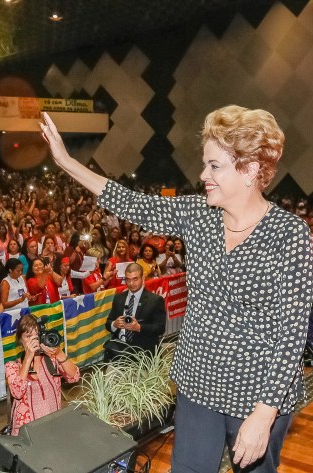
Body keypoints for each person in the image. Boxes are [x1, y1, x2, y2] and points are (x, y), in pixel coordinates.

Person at [41, 106, 313, 472]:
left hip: (258, 392)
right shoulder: (199, 214)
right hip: (198, 381)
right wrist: (66, 162)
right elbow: (133, 203)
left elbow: (291, 334)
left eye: (214, 166)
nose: (203, 175)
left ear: (249, 169)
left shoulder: (290, 235)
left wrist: (264, 415)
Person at [4, 315, 79, 436]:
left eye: (36, 335)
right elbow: (17, 393)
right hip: (27, 433)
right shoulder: (13, 366)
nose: (34, 340)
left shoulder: (53, 360)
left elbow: (74, 377)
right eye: (28, 336)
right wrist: (28, 358)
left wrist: (59, 353)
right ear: (20, 341)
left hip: (53, 426)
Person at [104, 263, 167, 360]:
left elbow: (160, 328)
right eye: (128, 279)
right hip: (119, 353)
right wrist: (114, 324)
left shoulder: (155, 300)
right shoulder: (119, 298)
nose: (131, 283)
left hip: (144, 354)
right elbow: (108, 323)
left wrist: (139, 328)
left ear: (143, 278)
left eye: (135, 279)